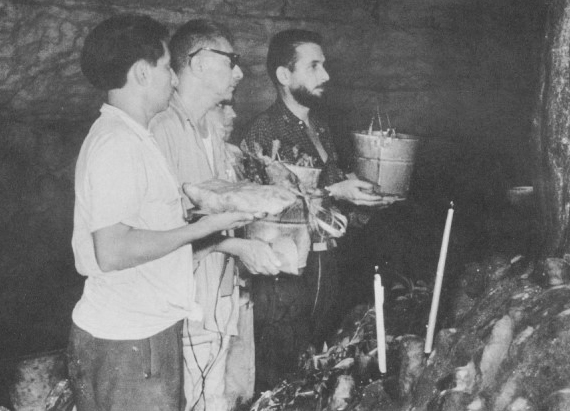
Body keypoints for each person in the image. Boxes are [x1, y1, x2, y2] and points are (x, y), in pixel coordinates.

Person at [68, 15, 257, 411]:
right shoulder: (118, 143)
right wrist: (203, 228)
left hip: (140, 334)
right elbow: (112, 251)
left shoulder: (133, 136)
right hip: (130, 341)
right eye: (167, 66)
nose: (173, 79)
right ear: (142, 73)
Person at [242, 29, 396, 390]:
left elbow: (333, 206)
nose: (325, 75)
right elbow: (263, 209)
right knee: (280, 377)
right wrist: (334, 190)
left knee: (318, 371)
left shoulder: (320, 127)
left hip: (327, 266)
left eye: (323, 65)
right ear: (284, 75)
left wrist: (365, 199)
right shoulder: (263, 131)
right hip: (286, 279)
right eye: (314, 66)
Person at [150, 20, 281, 411]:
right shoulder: (163, 128)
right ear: (200, 62)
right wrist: (237, 246)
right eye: (230, 60)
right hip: (184, 306)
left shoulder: (209, 130)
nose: (238, 72)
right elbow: (164, 232)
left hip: (216, 301)